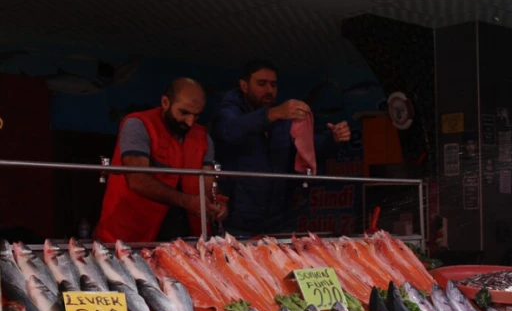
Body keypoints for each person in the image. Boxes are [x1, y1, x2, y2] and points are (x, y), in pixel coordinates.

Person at [209, 60, 351, 236]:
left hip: (277, 218)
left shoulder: (279, 118)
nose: (269, 90)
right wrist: (273, 114)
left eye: (273, 85)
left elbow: (304, 148)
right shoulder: (228, 110)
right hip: (236, 219)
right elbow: (230, 131)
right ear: (244, 86)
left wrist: (334, 139)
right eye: (261, 84)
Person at [95, 78, 227, 243]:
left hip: (185, 237)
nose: (190, 122)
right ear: (165, 102)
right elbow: (137, 180)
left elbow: (209, 182)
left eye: (197, 115)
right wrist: (185, 200)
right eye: (184, 112)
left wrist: (217, 202)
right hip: (130, 236)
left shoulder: (203, 138)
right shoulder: (137, 124)